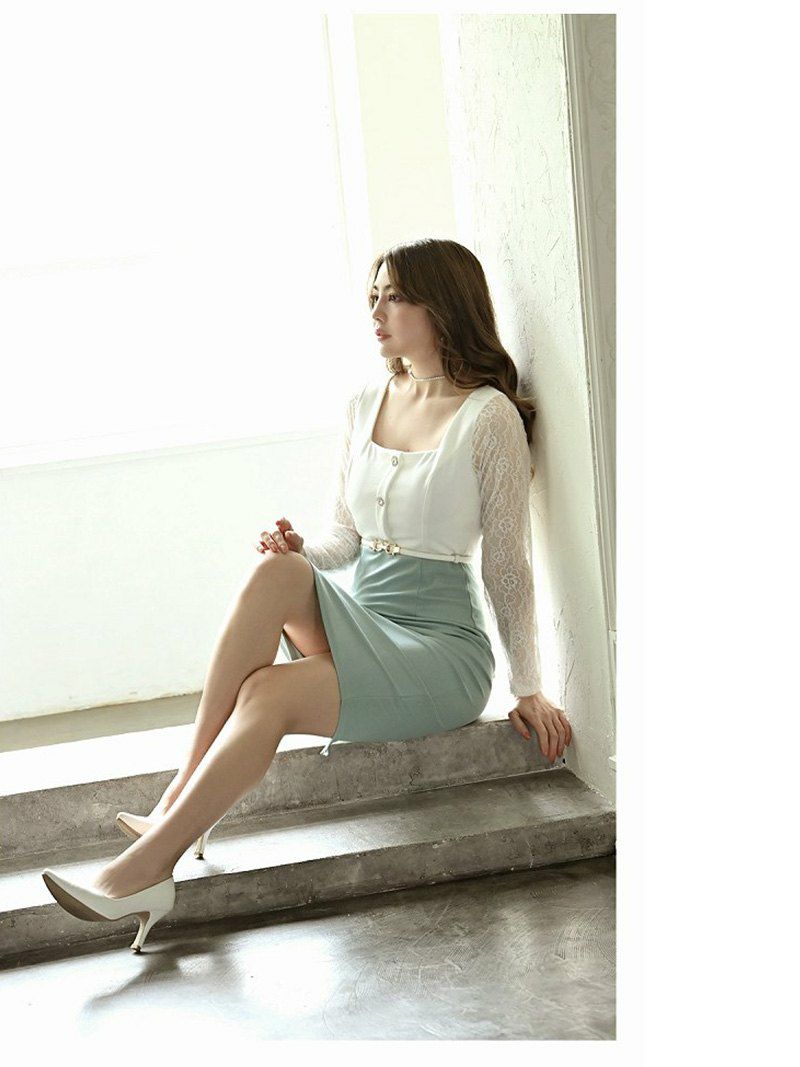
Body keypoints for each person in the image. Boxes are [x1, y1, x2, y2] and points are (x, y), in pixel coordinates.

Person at [41, 238, 572, 952]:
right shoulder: (365, 403)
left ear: (443, 306)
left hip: (439, 651)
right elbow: (344, 540)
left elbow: (508, 565)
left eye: (394, 298)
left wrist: (528, 685)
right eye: (373, 297)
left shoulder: (489, 417)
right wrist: (298, 548)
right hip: (369, 616)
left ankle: (145, 864)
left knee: (269, 692)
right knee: (279, 571)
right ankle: (175, 805)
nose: (376, 313)